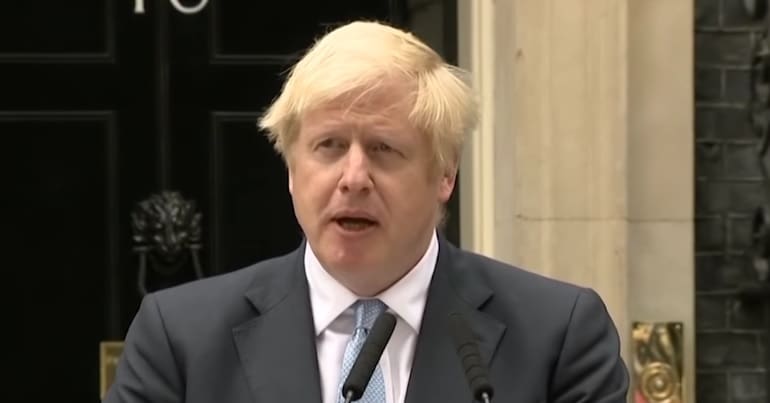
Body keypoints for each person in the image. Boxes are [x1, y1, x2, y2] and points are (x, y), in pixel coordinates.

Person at [103, 20, 629, 403]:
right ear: (291, 170)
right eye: (329, 146)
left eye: (383, 149)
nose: (353, 178)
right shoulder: (181, 339)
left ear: (445, 174)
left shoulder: (557, 336)